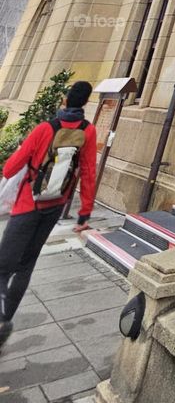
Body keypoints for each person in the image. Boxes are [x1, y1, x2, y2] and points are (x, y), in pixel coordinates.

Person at [0, 80, 97, 348]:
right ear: (86, 103)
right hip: (54, 205)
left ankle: (0, 318)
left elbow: (10, 169)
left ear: (65, 100)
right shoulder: (88, 132)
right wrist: (84, 213)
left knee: (3, 266)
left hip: (26, 206)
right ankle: (6, 319)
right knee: (26, 265)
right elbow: (88, 172)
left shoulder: (45, 129)